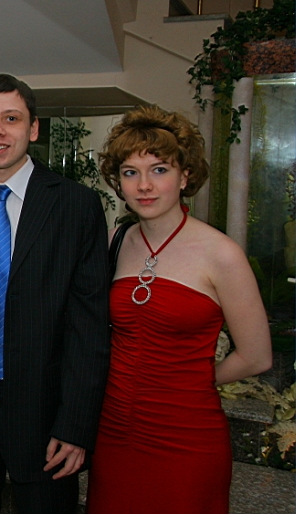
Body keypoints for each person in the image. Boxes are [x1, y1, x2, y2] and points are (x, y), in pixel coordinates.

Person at [0, 74, 111, 514]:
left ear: (33, 129)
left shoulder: (75, 205)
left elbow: (89, 325)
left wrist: (76, 425)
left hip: (44, 407)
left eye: (11, 119)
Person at [86, 105, 272, 514]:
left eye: (159, 170)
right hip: (113, 432)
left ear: (185, 176)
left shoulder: (222, 254)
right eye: (131, 173)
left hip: (187, 436)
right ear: (118, 182)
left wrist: (191, 381)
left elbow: (257, 356)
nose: (144, 185)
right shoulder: (115, 241)